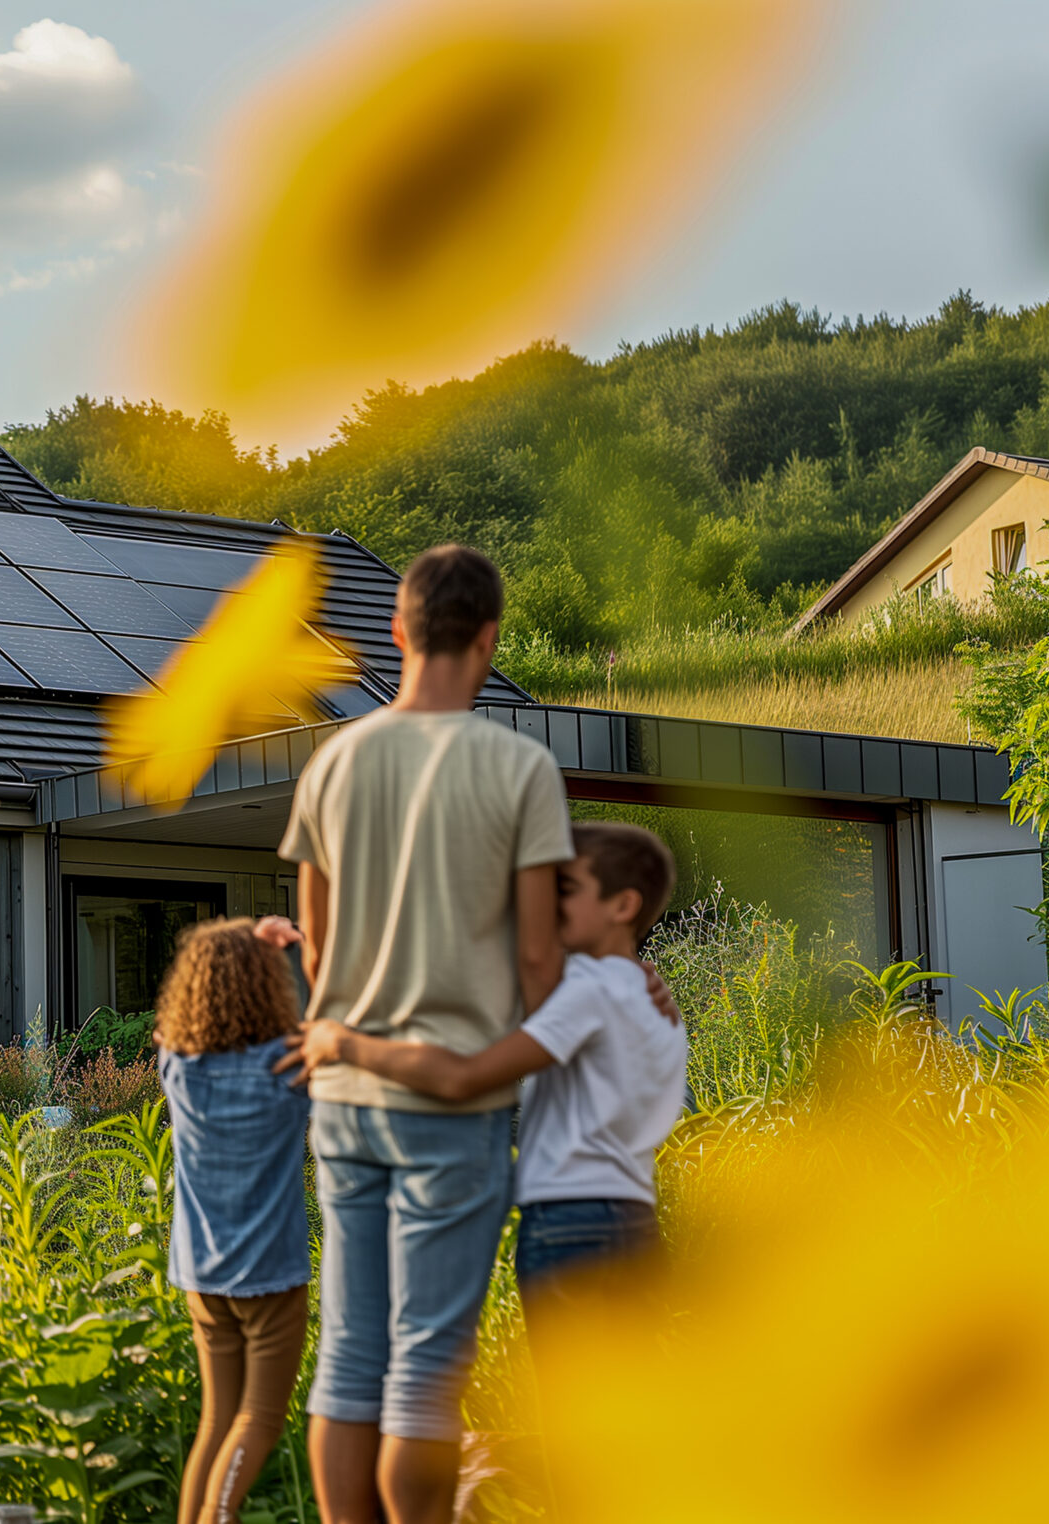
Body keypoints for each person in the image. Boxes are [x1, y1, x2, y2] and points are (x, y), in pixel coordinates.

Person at [255, 544, 573, 1524]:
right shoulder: (519, 766)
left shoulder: (334, 761)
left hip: (345, 1094)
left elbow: (313, 943)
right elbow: (535, 964)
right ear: (488, 640)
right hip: (455, 1101)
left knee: (351, 1354)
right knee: (429, 1364)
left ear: (397, 632)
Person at [294, 821, 687, 1312]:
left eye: (566, 890)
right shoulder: (649, 999)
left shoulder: (591, 989)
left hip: (575, 1228)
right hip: (634, 1222)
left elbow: (462, 1076)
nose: (547, 905)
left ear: (623, 906)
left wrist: (343, 1044)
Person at [153, 917, 314, 1524]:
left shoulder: (179, 1066)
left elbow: (167, 1029)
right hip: (270, 1274)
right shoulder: (288, 1065)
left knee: (217, 1420)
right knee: (260, 1421)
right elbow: (326, 1030)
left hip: (200, 1273)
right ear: (266, 984)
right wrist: (269, 942)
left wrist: (237, 938)